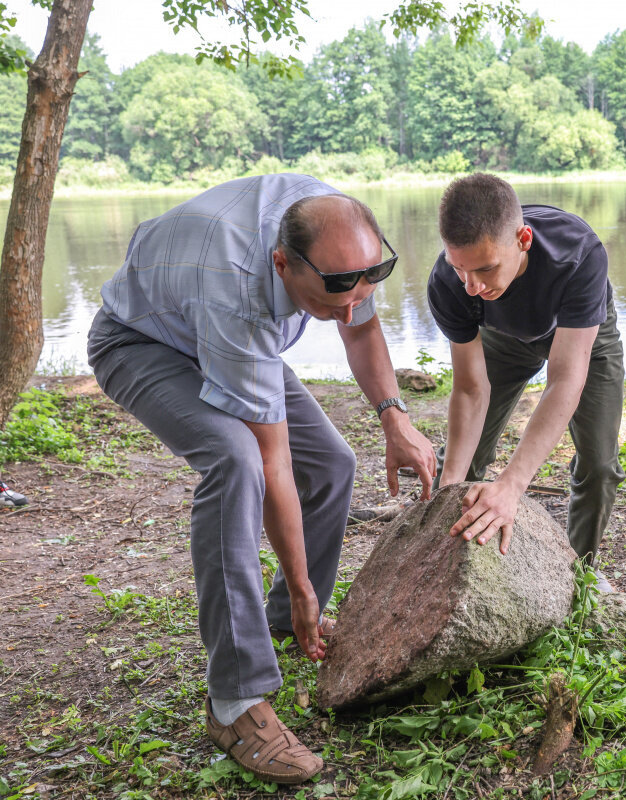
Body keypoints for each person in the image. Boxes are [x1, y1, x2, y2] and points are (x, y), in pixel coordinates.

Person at [86, 173, 437, 784]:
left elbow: (360, 327)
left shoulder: (342, 243)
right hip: (141, 343)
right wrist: (304, 585)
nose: (352, 299)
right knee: (235, 460)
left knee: (332, 463)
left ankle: (279, 625)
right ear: (283, 263)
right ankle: (235, 699)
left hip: (211, 325)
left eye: (367, 282)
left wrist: (395, 419)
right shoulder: (238, 286)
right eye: (334, 289)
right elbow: (272, 459)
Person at [426, 173, 624, 588]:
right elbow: (469, 388)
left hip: (582, 334)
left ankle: (579, 571)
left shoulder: (578, 254)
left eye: (486, 268)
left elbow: (565, 378)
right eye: (461, 268)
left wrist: (511, 485)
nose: (473, 286)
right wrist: (448, 490)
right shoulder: (450, 282)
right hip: (504, 337)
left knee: (600, 464)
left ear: (524, 240)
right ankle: (446, 554)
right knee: (460, 462)